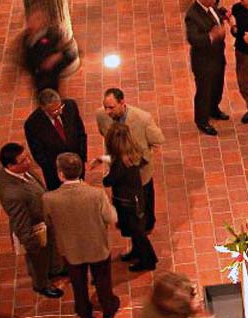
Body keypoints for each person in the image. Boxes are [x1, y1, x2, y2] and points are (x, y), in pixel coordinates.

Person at [42, 152, 120, 318]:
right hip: (97, 246)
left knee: (78, 283)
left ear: (60, 173)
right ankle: (108, 308)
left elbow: (47, 221)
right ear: (81, 170)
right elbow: (111, 218)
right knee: (103, 280)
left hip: (71, 250)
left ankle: (84, 312)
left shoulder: (49, 198)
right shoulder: (96, 194)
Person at [0, 142, 64, 298]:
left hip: (45, 221)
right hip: (35, 231)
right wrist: (33, 245)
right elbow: (20, 223)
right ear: (11, 166)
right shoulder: (12, 193)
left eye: (27, 157)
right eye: (23, 161)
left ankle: (55, 269)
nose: (29, 162)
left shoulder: (24, 171)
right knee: (38, 261)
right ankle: (41, 284)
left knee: (52, 249)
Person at [95, 87, 165, 233]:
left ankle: (146, 227)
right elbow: (106, 136)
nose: (107, 112)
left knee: (144, 201)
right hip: (120, 170)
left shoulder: (143, 119)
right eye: (105, 107)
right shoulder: (101, 115)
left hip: (140, 172)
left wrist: (141, 158)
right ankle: (128, 224)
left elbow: (158, 140)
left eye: (111, 107)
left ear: (122, 103)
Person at [95, 122, 158, 272]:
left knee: (137, 233)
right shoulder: (131, 153)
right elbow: (114, 157)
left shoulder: (120, 165)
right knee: (136, 231)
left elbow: (108, 181)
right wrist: (102, 159)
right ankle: (138, 252)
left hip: (128, 203)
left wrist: (104, 174)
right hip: (136, 197)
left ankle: (148, 260)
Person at [186, 0, 230, 136]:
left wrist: (224, 14)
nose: (214, 2)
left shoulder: (211, 7)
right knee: (204, 91)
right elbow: (193, 39)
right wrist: (212, 36)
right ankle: (202, 120)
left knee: (217, 86)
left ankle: (213, 108)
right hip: (203, 61)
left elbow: (216, 13)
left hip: (217, 56)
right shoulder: (192, 15)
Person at [24, 88, 88, 191]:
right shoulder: (33, 124)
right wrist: (55, 171)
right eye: (54, 111)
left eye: (60, 107)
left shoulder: (70, 106)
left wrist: (82, 157)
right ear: (43, 108)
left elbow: (81, 132)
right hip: (55, 173)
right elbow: (38, 153)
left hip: (77, 164)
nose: (60, 112)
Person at [20, 6, 78, 94]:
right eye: (30, 19)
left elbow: (69, 54)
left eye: (37, 19)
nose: (32, 22)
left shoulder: (52, 36)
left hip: (48, 79)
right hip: (37, 78)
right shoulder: (26, 37)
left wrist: (56, 57)